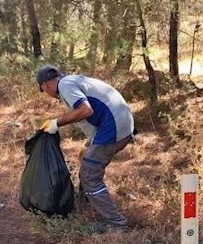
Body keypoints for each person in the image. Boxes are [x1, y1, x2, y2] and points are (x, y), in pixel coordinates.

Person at [36, 64, 134, 231]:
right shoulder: (73, 80)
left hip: (113, 128)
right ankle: (86, 205)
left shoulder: (65, 86)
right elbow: (97, 111)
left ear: (45, 85)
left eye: (44, 90)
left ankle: (117, 223)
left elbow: (86, 110)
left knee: (89, 175)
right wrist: (89, 144)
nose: (48, 94)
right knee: (88, 164)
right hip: (122, 125)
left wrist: (56, 123)